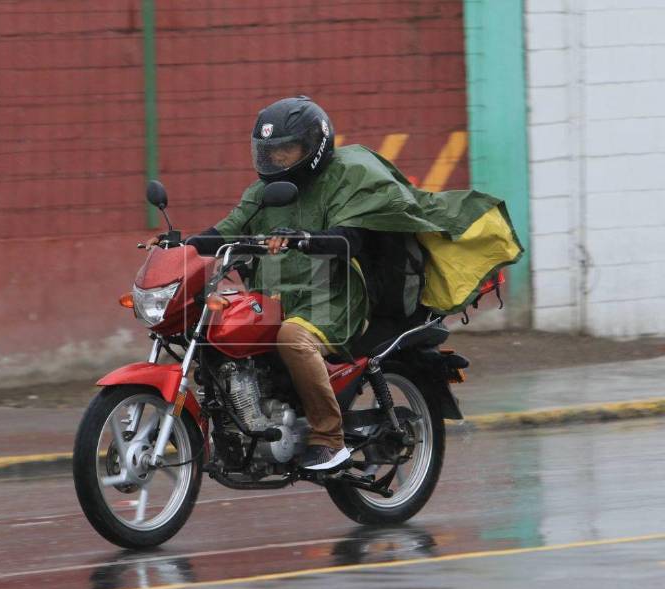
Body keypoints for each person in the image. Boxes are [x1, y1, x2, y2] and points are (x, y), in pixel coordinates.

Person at [146, 96, 523, 471]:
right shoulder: (264, 194)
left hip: (337, 296)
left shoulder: (352, 174)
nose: (275, 160)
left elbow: (351, 238)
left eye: (286, 151)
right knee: (222, 331)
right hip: (280, 292)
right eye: (269, 152)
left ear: (314, 145)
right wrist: (182, 245)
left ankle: (329, 440)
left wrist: (302, 237)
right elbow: (226, 231)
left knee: (292, 337)